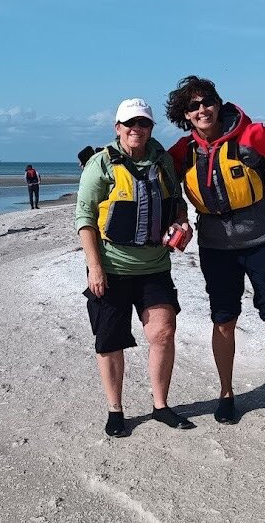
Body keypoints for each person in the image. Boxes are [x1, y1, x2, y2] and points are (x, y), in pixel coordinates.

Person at [164, 75, 265, 433]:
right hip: (216, 247)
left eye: (207, 102)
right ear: (185, 115)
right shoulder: (183, 152)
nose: (202, 109)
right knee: (223, 320)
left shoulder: (252, 135)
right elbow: (157, 173)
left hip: (264, 240)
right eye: (193, 106)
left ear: (218, 104)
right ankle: (226, 394)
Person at [75, 98, 195, 437]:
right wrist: (94, 267)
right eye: (129, 123)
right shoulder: (101, 164)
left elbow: (177, 203)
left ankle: (161, 405)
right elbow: (85, 217)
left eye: (143, 123)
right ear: (118, 128)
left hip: (154, 265)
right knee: (110, 340)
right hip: (111, 266)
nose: (136, 129)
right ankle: (116, 410)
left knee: (163, 332)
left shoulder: (163, 161)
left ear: (151, 128)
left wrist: (182, 223)